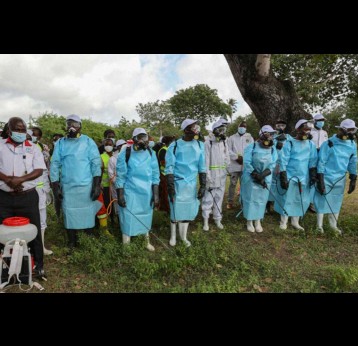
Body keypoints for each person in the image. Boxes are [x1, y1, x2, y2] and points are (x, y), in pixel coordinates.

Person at [0, 117, 46, 278]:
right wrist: (8, 180)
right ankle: (5, 267)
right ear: (9, 130)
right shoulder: (0, 146)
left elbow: (39, 169)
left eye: (23, 129)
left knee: (34, 231)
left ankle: (39, 266)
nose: (21, 132)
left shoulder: (33, 148)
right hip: (4, 198)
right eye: (17, 129)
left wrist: (20, 180)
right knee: (3, 232)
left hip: (28, 197)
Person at [50, 115, 102, 248]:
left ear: (80, 127)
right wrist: (55, 187)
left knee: (87, 213)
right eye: (69, 124)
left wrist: (96, 186)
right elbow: (55, 164)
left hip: (86, 186)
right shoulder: (61, 143)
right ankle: (72, 242)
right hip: (68, 186)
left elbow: (96, 163)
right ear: (66, 126)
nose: (71, 127)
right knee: (69, 213)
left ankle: (88, 240)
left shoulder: (88, 142)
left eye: (75, 124)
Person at [115, 128, 160, 251]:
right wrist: (120, 194)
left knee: (146, 215)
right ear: (134, 139)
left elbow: (155, 175)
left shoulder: (151, 153)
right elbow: (121, 175)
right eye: (139, 137)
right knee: (128, 215)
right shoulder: (126, 153)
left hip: (146, 191)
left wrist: (155, 194)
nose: (142, 140)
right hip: (131, 190)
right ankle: (126, 244)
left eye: (144, 137)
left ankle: (146, 241)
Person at [165, 119, 206, 247]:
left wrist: (203, 185)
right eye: (192, 126)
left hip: (191, 184)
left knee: (187, 210)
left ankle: (183, 237)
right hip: (177, 182)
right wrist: (170, 185)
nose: (195, 129)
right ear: (185, 129)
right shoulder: (175, 145)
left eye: (195, 126)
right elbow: (169, 167)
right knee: (175, 208)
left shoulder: (200, 145)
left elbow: (202, 166)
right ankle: (173, 236)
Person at [313, 119, 357, 234]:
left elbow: (353, 161)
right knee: (322, 199)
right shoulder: (329, 143)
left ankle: (333, 225)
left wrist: (353, 178)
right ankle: (319, 225)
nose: (351, 133)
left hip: (340, 178)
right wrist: (320, 179)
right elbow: (321, 162)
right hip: (326, 176)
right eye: (349, 130)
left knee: (336, 201)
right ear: (341, 130)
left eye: (353, 130)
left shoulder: (352, 144)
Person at [274, 119, 317, 230]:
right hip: (290, 175)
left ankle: (295, 222)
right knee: (287, 198)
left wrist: (313, 175)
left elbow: (312, 160)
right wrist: (283, 176)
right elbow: (283, 160)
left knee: (301, 198)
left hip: (304, 176)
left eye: (309, 130)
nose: (307, 132)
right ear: (298, 130)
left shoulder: (311, 144)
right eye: (305, 130)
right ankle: (284, 221)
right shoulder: (290, 143)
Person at [241, 125, 278, 232]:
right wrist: (256, 175)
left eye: (272, 134)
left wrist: (263, 175)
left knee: (262, 199)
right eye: (268, 134)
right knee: (250, 198)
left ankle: (257, 220)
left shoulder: (273, 149)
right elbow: (247, 163)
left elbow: (273, 163)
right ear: (262, 134)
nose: (270, 136)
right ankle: (249, 221)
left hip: (266, 177)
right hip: (251, 177)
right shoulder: (251, 147)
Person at [201, 118, 230, 231]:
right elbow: (206, 160)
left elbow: (226, 157)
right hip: (212, 176)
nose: (223, 132)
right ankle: (205, 221)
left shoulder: (223, 142)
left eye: (224, 130)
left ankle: (218, 219)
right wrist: (207, 176)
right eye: (221, 130)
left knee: (219, 198)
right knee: (208, 198)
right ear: (215, 130)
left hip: (222, 176)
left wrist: (228, 169)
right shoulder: (208, 143)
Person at [30, 126, 53, 255]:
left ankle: (41, 247)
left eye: (37, 135)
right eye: (32, 134)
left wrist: (47, 189)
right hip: (27, 190)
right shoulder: (24, 147)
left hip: (41, 189)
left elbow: (46, 171)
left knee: (42, 219)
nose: (34, 136)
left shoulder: (44, 149)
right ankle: (29, 247)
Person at [267, 120, 293, 212]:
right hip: (273, 163)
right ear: (275, 126)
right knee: (271, 183)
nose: (280, 127)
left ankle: (278, 205)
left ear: (285, 127)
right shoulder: (272, 137)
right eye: (278, 125)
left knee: (281, 183)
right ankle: (268, 204)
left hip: (284, 165)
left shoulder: (289, 138)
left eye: (282, 125)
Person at [227, 121, 254, 209]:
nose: (242, 128)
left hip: (245, 166)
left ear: (246, 128)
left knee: (244, 184)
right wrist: (236, 157)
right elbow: (228, 150)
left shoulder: (249, 138)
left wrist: (245, 159)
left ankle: (243, 202)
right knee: (232, 184)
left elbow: (252, 150)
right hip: (235, 165)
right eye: (241, 126)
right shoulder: (232, 138)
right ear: (238, 127)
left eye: (244, 127)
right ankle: (230, 202)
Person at [157, 135, 176, 214]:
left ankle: (165, 207)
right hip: (164, 174)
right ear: (169, 142)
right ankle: (167, 209)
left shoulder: (169, 149)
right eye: (173, 141)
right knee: (165, 192)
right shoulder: (163, 150)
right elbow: (163, 163)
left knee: (168, 191)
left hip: (169, 173)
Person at [108, 139, 127, 216]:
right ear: (118, 147)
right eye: (122, 146)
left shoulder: (129, 155)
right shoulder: (112, 159)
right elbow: (111, 174)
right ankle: (119, 220)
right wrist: (119, 184)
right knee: (118, 203)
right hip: (117, 186)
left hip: (128, 185)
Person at [100, 138, 115, 223]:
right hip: (105, 185)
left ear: (113, 146)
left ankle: (114, 219)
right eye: (106, 145)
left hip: (115, 184)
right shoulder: (101, 156)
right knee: (107, 203)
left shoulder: (116, 156)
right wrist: (99, 183)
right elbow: (100, 171)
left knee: (114, 202)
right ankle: (109, 220)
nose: (108, 146)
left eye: (110, 144)